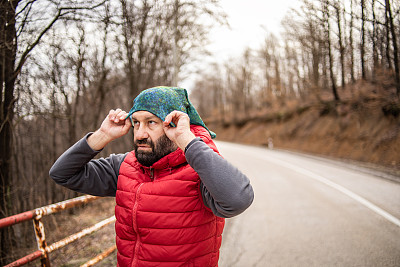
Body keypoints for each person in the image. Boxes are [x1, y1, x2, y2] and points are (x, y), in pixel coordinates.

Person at [50, 86, 254, 267]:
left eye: (151, 122)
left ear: (172, 125)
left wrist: (186, 139)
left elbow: (238, 200)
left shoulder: (201, 171)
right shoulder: (125, 166)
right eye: (136, 123)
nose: (140, 134)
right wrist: (103, 135)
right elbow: (62, 174)